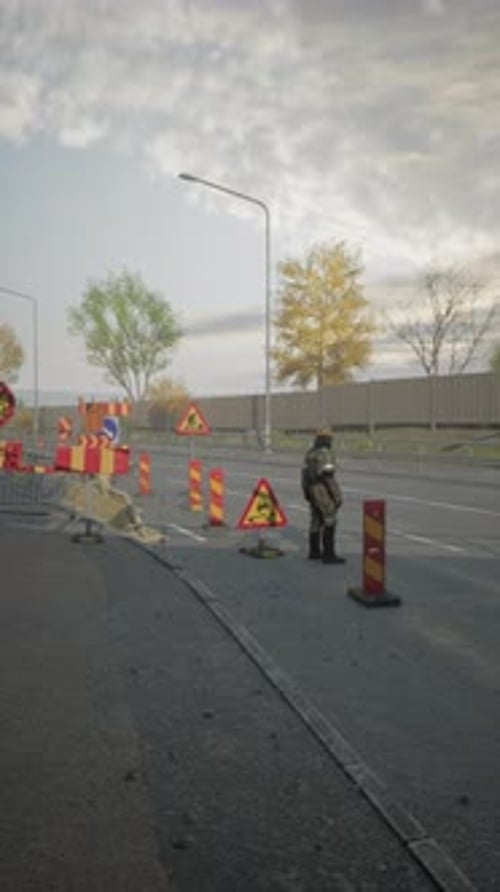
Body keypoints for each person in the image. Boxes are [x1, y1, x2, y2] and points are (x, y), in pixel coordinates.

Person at [301, 428, 345, 564]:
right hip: (322, 490)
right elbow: (328, 476)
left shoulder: (310, 453)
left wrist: (307, 493)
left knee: (315, 520)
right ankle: (329, 554)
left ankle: (314, 552)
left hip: (311, 489)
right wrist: (337, 495)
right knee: (330, 519)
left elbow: (304, 475)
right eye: (329, 439)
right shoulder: (325, 454)